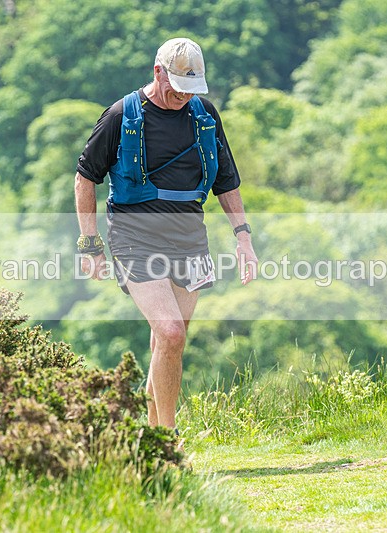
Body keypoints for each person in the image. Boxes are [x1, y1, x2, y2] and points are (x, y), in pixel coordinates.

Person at [74, 37, 257, 430]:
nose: (184, 97)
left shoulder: (203, 114)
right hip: (134, 235)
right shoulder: (121, 114)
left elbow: (226, 179)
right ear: (158, 72)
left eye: (192, 90)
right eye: (178, 88)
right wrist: (90, 244)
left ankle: (152, 437)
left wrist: (243, 237)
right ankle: (168, 442)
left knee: (169, 342)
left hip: (190, 236)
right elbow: (85, 177)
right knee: (171, 333)